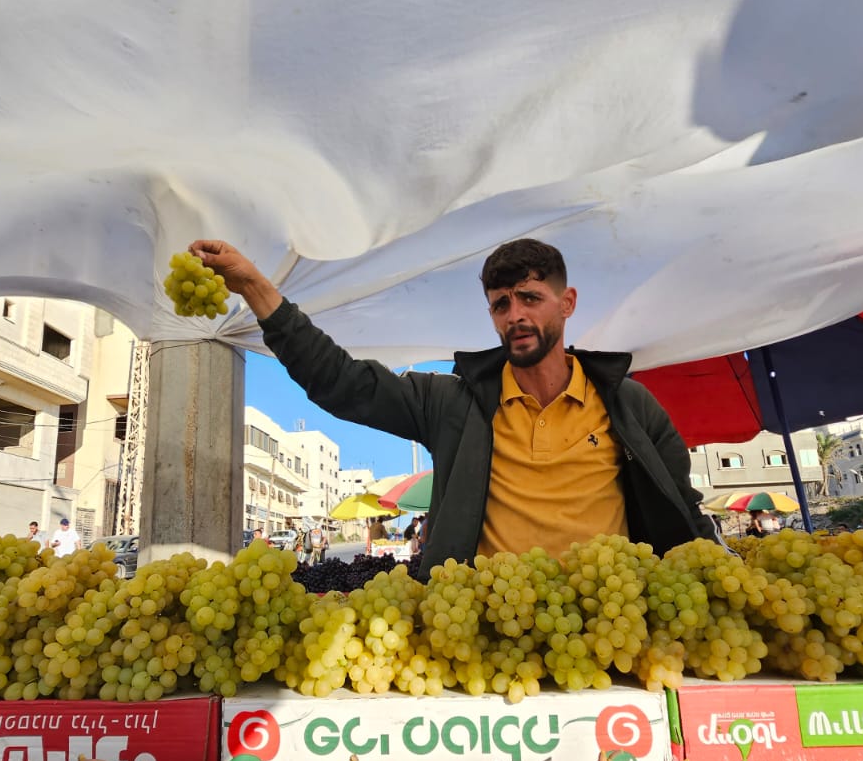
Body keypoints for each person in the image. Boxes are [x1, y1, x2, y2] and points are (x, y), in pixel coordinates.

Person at [189, 237, 714, 566]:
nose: (515, 315)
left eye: (530, 298)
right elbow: (341, 382)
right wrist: (257, 287)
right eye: (501, 305)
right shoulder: (452, 403)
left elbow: (682, 511)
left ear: (567, 303)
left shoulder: (630, 406)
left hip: (608, 633)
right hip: (486, 634)